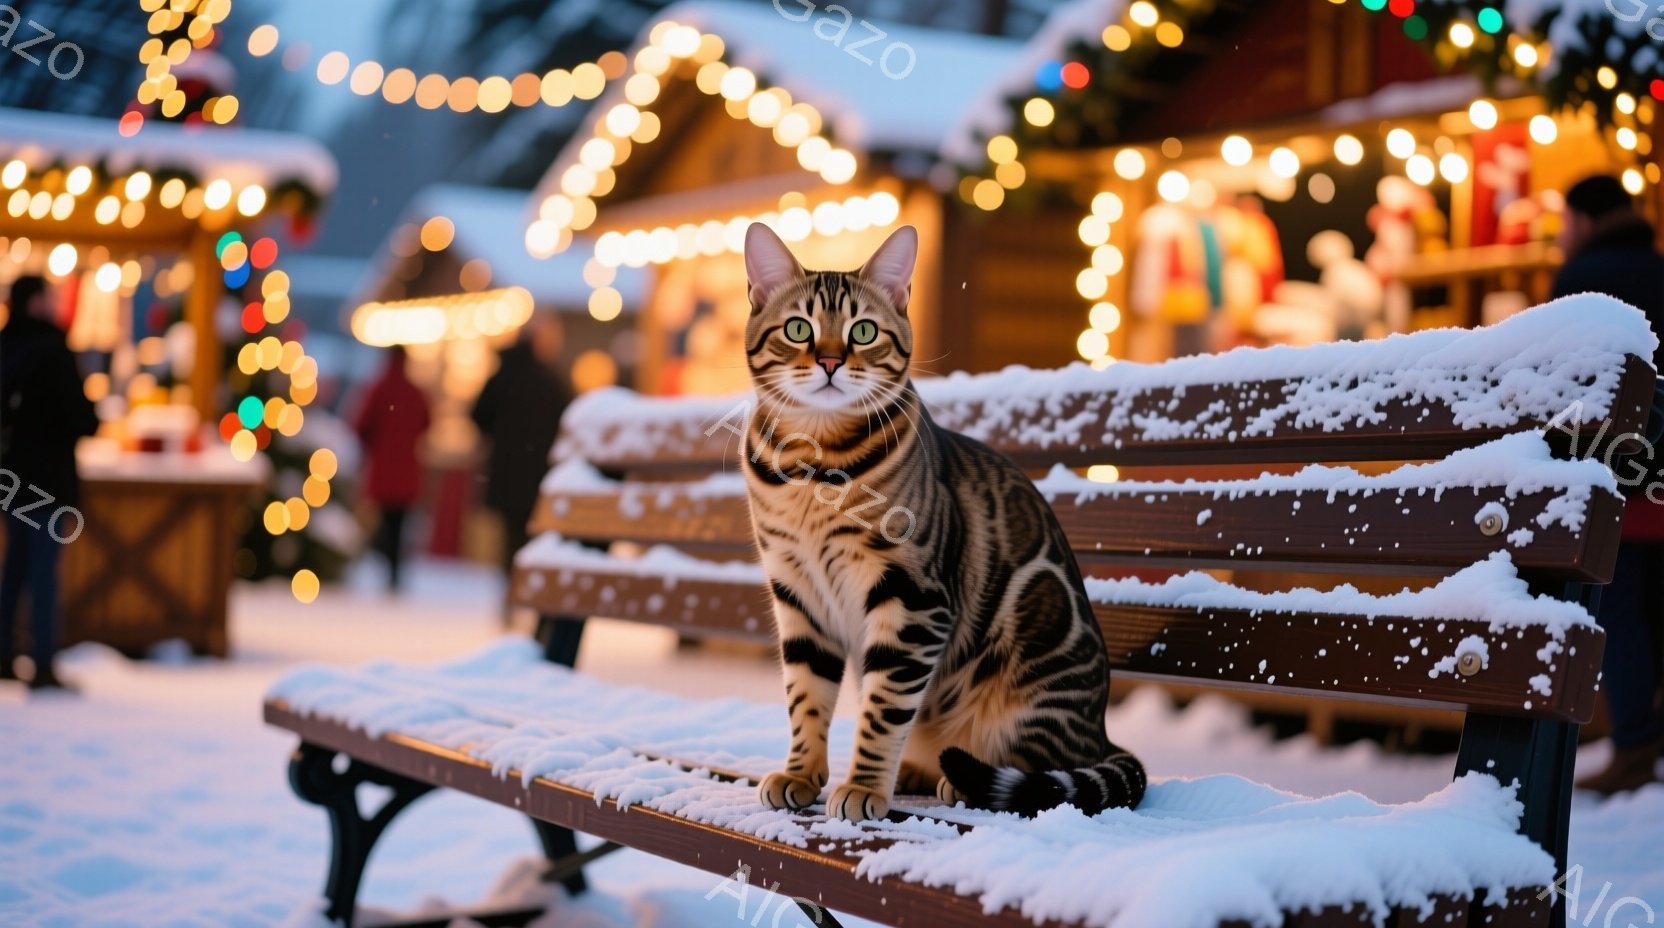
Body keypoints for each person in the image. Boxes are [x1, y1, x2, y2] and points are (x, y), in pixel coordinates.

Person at [1552, 175, 1664, 794]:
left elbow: (1565, 383)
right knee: (1652, 607)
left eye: (1566, 220)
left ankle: (1634, 747)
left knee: (1616, 610)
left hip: (1616, 471)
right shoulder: (1658, 266)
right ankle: (1646, 733)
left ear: (1586, 220)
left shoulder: (1582, 283)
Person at [0, 276, 99, 690]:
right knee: (43, 572)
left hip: (8, 479)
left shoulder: (5, 346)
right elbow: (81, 419)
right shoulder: (53, 350)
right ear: (37, 301)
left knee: (15, 569)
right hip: (47, 482)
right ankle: (42, 663)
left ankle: (4, 654)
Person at [471, 314, 573, 581]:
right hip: (537, 472)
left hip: (506, 471)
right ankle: (523, 587)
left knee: (510, 535)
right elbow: (566, 423)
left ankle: (510, 586)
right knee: (532, 534)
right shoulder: (550, 380)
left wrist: (500, 438)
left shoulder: (503, 375)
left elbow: (478, 415)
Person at [353, 345, 431, 592]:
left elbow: (360, 424)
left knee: (385, 523)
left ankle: (386, 566)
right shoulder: (414, 392)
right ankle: (394, 571)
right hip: (407, 470)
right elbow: (426, 423)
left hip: (383, 469)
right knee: (398, 524)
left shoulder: (378, 388)